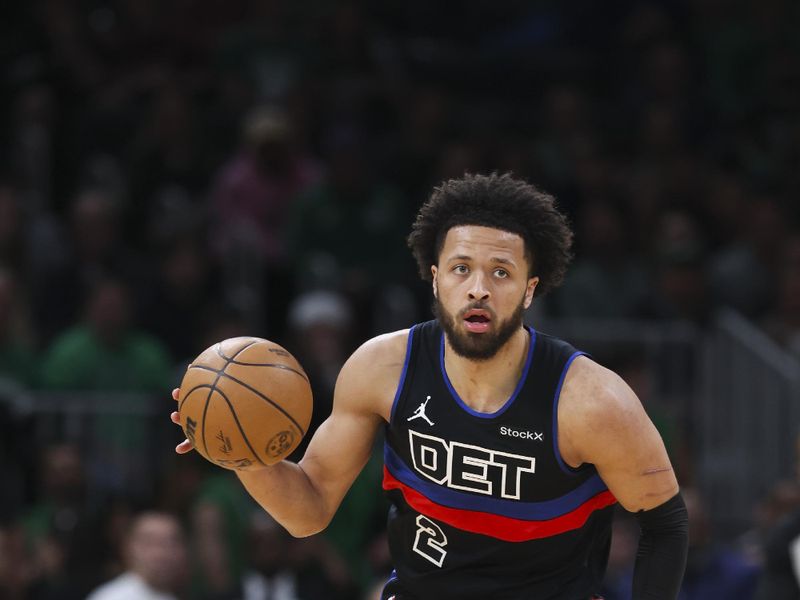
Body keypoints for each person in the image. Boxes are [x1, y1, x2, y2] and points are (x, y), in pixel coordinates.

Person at [171, 173, 689, 599]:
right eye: (462, 269)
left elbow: (665, 526)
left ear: (531, 289)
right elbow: (308, 511)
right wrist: (243, 451)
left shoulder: (592, 401)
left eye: (501, 273)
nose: (479, 288)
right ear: (436, 277)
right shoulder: (381, 368)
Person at [86, 511, 188, 600]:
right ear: (127, 547)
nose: (161, 553)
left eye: (171, 543)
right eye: (149, 542)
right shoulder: (111, 597)